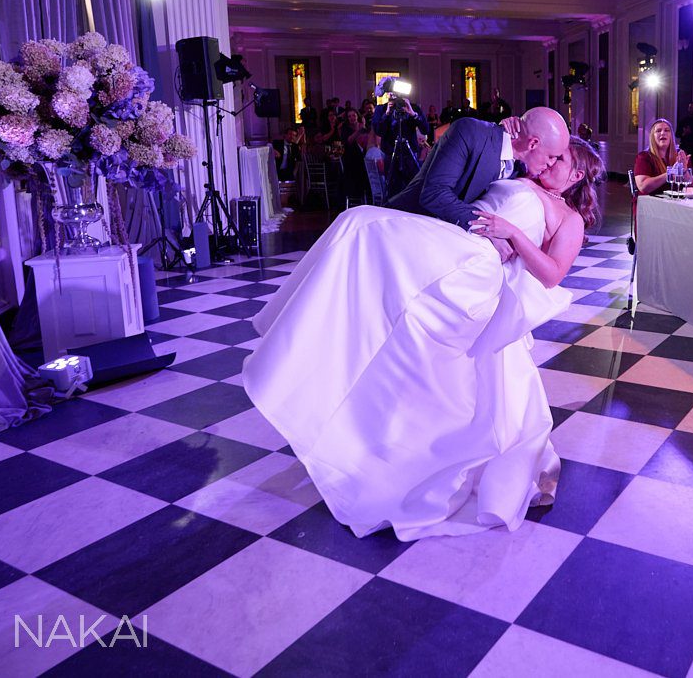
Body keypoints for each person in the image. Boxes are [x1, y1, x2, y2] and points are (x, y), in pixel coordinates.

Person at [242, 137, 605, 540]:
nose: (550, 161)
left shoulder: (567, 216)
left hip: (476, 265)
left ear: (574, 176)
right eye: (550, 154)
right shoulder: (521, 175)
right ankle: (307, 334)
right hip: (453, 240)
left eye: (560, 160)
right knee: (358, 223)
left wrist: (513, 235)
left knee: (364, 224)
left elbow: (553, 275)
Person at [388, 106, 570, 261]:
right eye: (551, 156)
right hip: (401, 232)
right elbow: (434, 193)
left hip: (446, 247)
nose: (551, 163)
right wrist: (487, 229)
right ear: (533, 144)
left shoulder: (518, 169)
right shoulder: (470, 131)